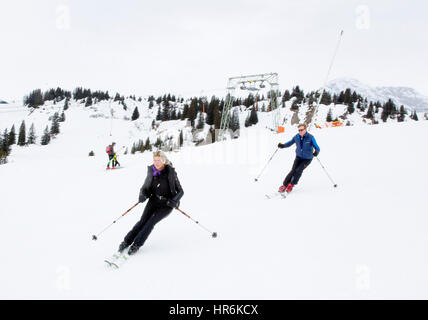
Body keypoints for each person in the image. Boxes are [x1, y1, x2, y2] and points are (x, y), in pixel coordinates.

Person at [118, 151, 184, 255]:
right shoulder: (151, 171)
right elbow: (144, 188)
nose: (156, 163)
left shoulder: (170, 172)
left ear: (164, 160)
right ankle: (126, 241)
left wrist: (174, 200)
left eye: (158, 160)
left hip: (166, 205)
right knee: (142, 221)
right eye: (154, 160)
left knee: (150, 223)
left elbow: (180, 191)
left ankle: (136, 244)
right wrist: (142, 194)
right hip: (154, 200)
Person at [277, 123, 320, 193]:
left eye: (301, 130)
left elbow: (317, 147)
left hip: (307, 158)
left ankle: (291, 184)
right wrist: (283, 145)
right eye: (299, 130)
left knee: (299, 170)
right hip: (298, 157)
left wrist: (316, 152)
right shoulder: (296, 137)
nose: (300, 131)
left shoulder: (311, 137)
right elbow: (290, 143)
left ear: (305, 129)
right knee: (293, 170)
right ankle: (284, 185)